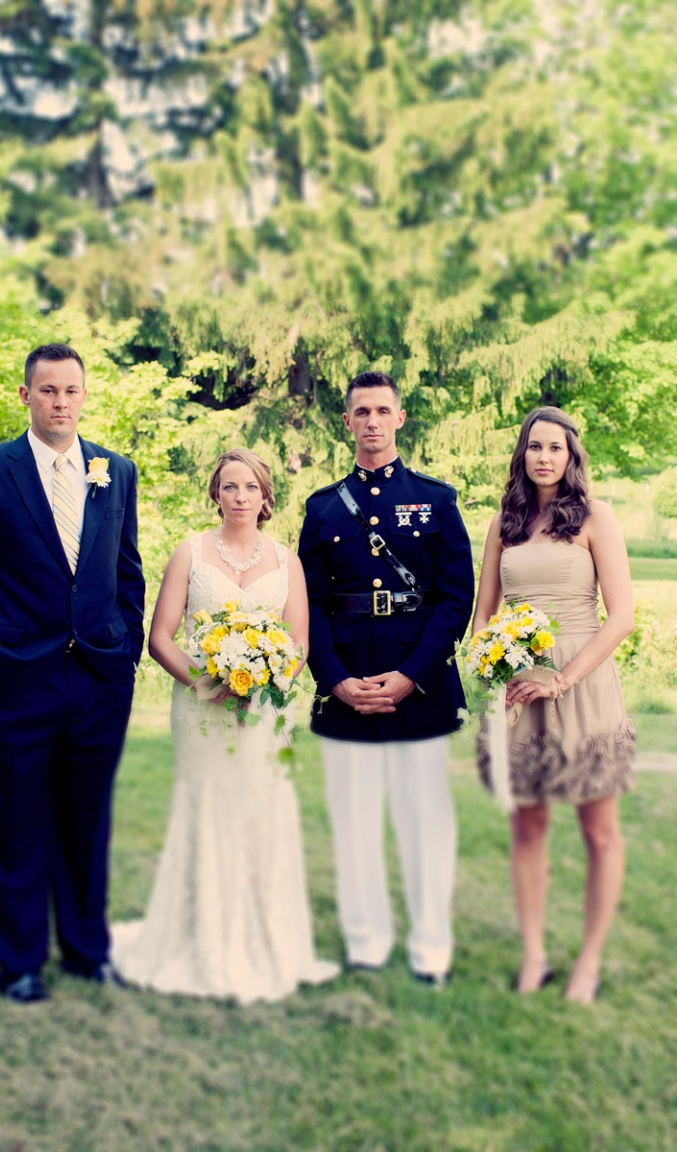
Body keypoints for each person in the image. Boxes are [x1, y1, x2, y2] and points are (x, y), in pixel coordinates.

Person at [0, 343, 145, 1003]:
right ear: (26, 395)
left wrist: (126, 654)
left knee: (86, 821)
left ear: (84, 396)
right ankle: (20, 962)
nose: (60, 402)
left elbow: (127, 572)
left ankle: (86, 951)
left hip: (98, 679)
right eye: (48, 390)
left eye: (71, 391)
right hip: (13, 681)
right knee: (13, 821)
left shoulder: (116, 471)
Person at [111, 448, 339, 1003]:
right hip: (201, 709)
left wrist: (263, 681)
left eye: (251, 487)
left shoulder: (288, 562)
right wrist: (206, 681)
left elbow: (299, 643)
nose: (240, 497)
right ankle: (202, 939)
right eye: (230, 486)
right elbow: (160, 638)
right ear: (216, 493)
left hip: (264, 712)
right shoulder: (188, 554)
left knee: (262, 811)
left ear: (265, 497)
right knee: (209, 808)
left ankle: (263, 941)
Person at [298, 372, 474, 987]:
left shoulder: (436, 499)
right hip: (347, 684)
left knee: (425, 819)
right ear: (346, 422)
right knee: (354, 822)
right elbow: (309, 603)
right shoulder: (322, 507)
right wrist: (334, 679)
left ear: (400, 418)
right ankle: (366, 942)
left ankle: (431, 947)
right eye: (361, 412)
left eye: (382, 410)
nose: (371, 421)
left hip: (417, 687)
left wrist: (411, 676)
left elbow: (456, 599)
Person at [472, 406, 635, 1003]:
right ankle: (535, 955)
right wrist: (498, 667)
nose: (544, 457)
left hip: (582, 684)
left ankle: (588, 961)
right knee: (528, 826)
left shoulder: (595, 516)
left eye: (555, 448)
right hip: (519, 689)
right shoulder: (504, 524)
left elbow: (621, 617)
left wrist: (562, 679)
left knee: (599, 831)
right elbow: (483, 617)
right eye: (535, 447)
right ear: (523, 454)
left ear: (571, 456)